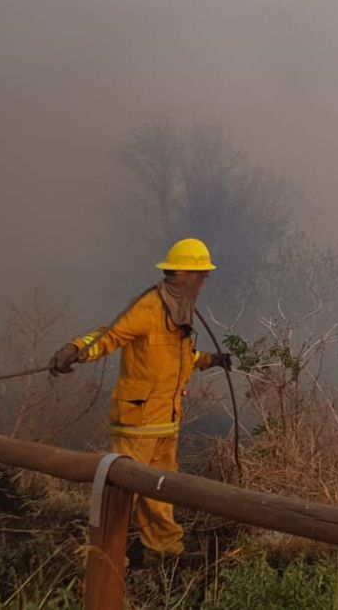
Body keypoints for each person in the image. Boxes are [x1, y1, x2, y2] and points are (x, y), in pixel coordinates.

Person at [47, 238, 231, 562]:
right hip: (138, 420)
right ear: (183, 274)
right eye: (201, 275)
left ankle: (164, 551)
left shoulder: (179, 312)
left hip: (165, 420)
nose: (204, 282)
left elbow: (179, 357)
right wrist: (74, 350)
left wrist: (210, 360)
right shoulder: (149, 308)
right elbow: (110, 335)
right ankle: (101, 558)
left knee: (160, 488)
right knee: (122, 492)